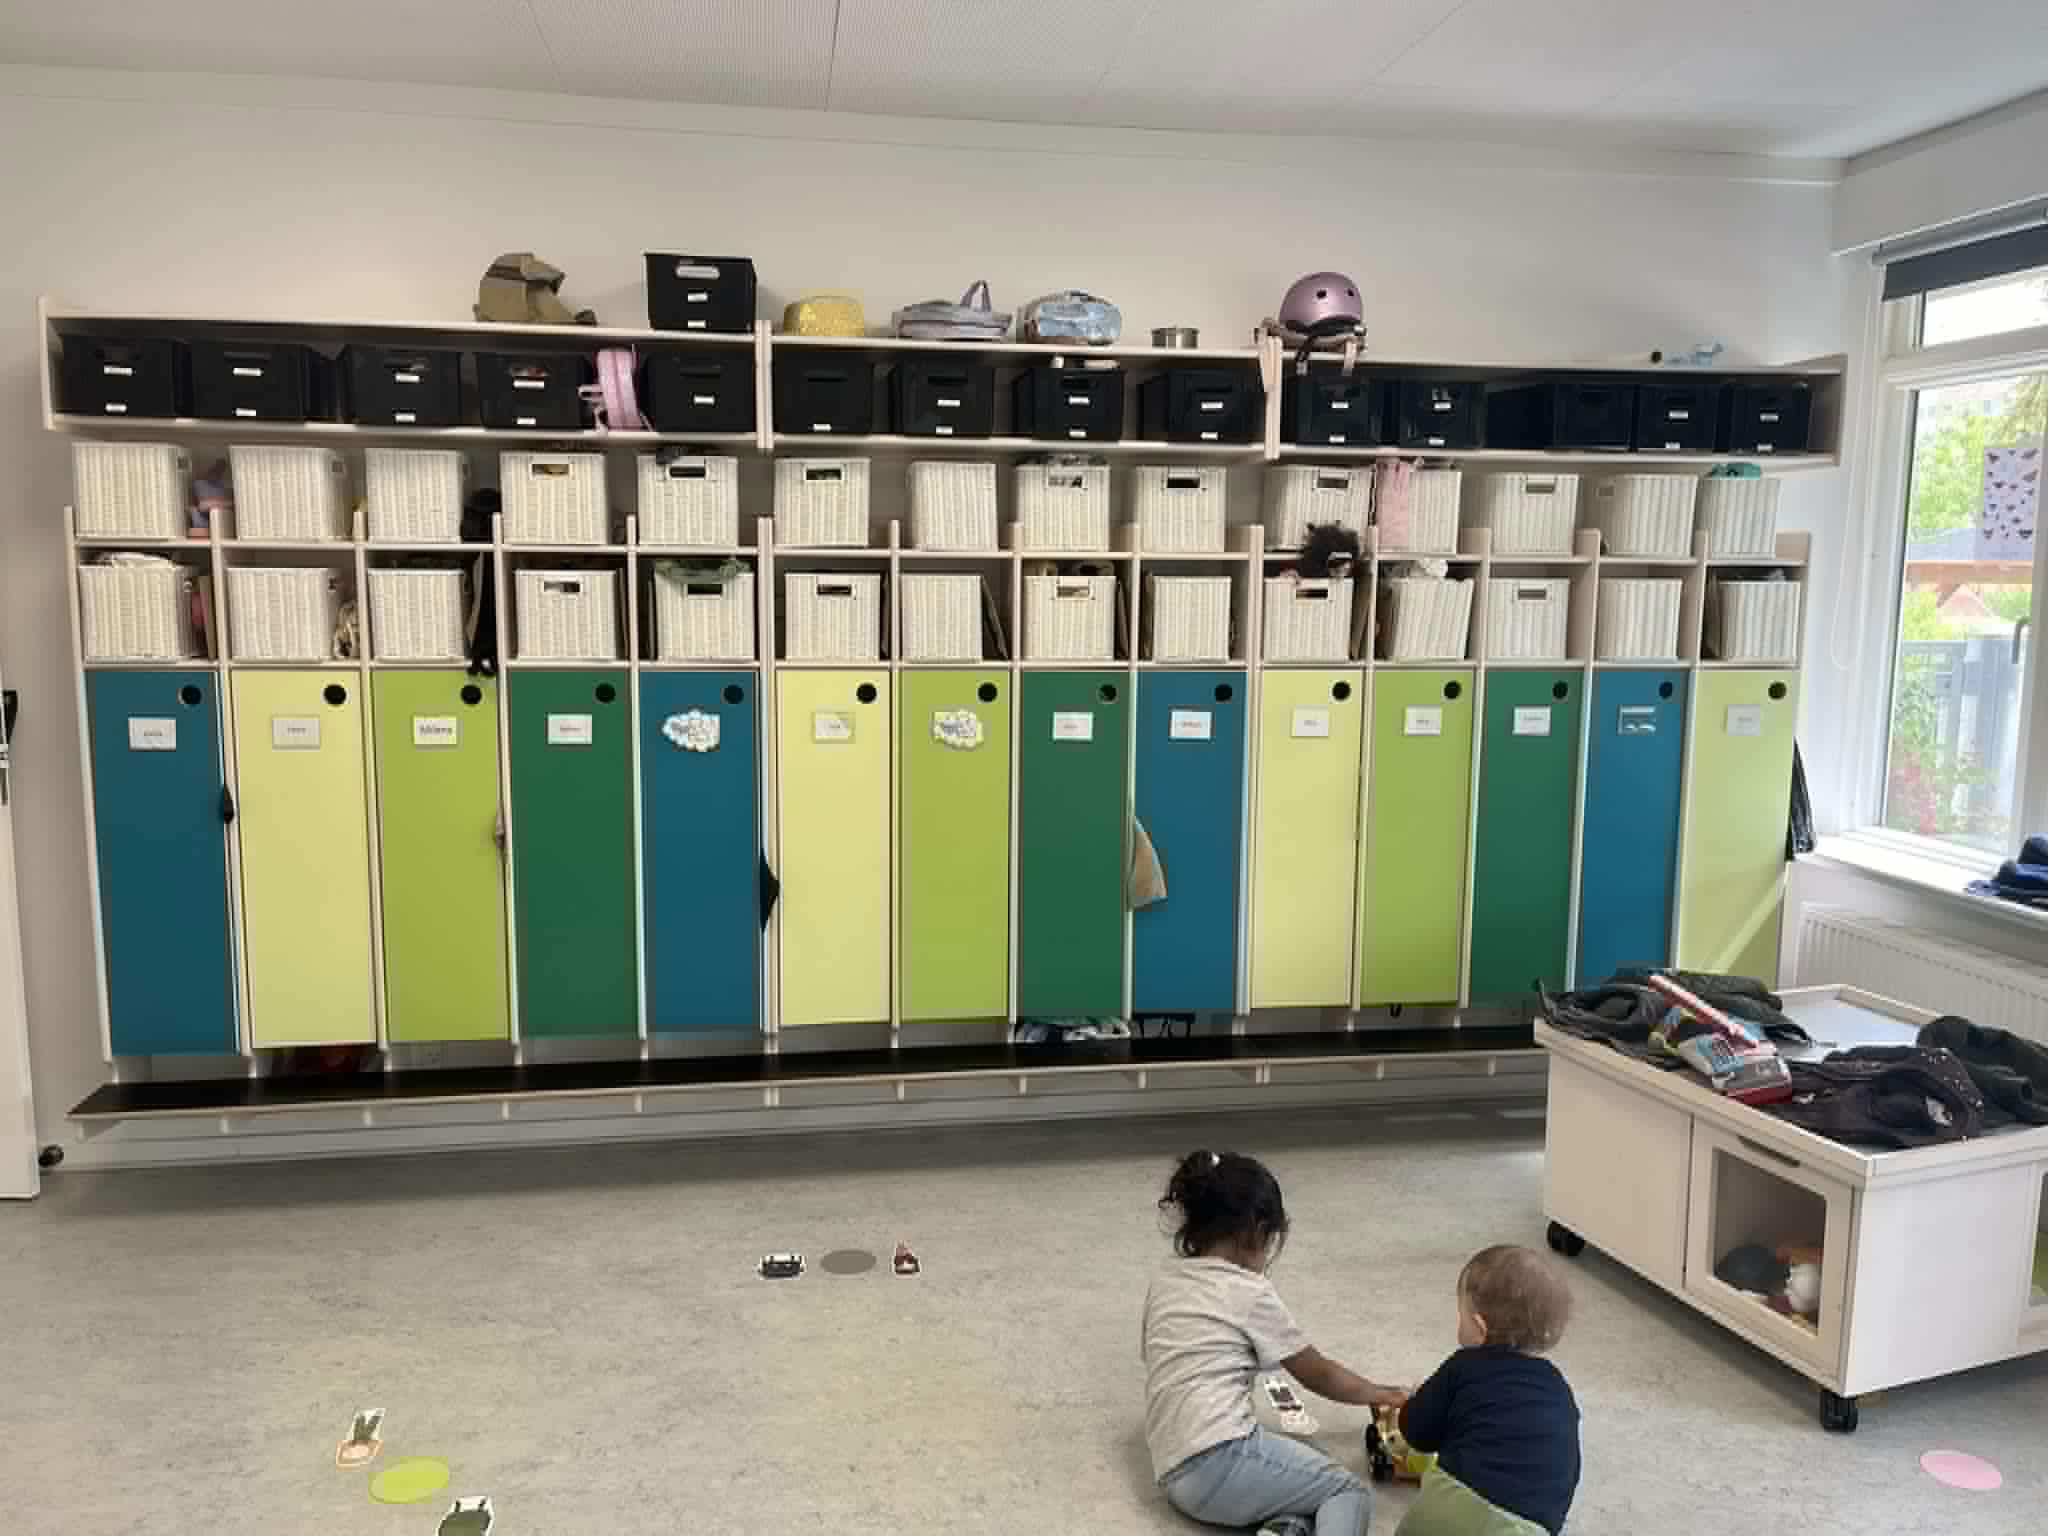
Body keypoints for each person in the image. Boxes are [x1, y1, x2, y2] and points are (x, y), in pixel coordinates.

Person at [1143, 1150, 1407, 1536]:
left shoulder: (1166, 1280)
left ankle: (1283, 1530)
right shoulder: (1249, 1292)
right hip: (1219, 1460)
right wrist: (1383, 1394)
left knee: (1310, 1462)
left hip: (1171, 1469)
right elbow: (1318, 1374)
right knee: (1344, 1490)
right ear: (1256, 1232)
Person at [1395, 1245, 1581, 1536]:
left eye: (1461, 1315)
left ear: (1479, 1327)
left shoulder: (1464, 1365)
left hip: (1456, 1505)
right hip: (1531, 1525)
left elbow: (1418, 1432)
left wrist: (1415, 1402)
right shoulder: (1558, 1387)